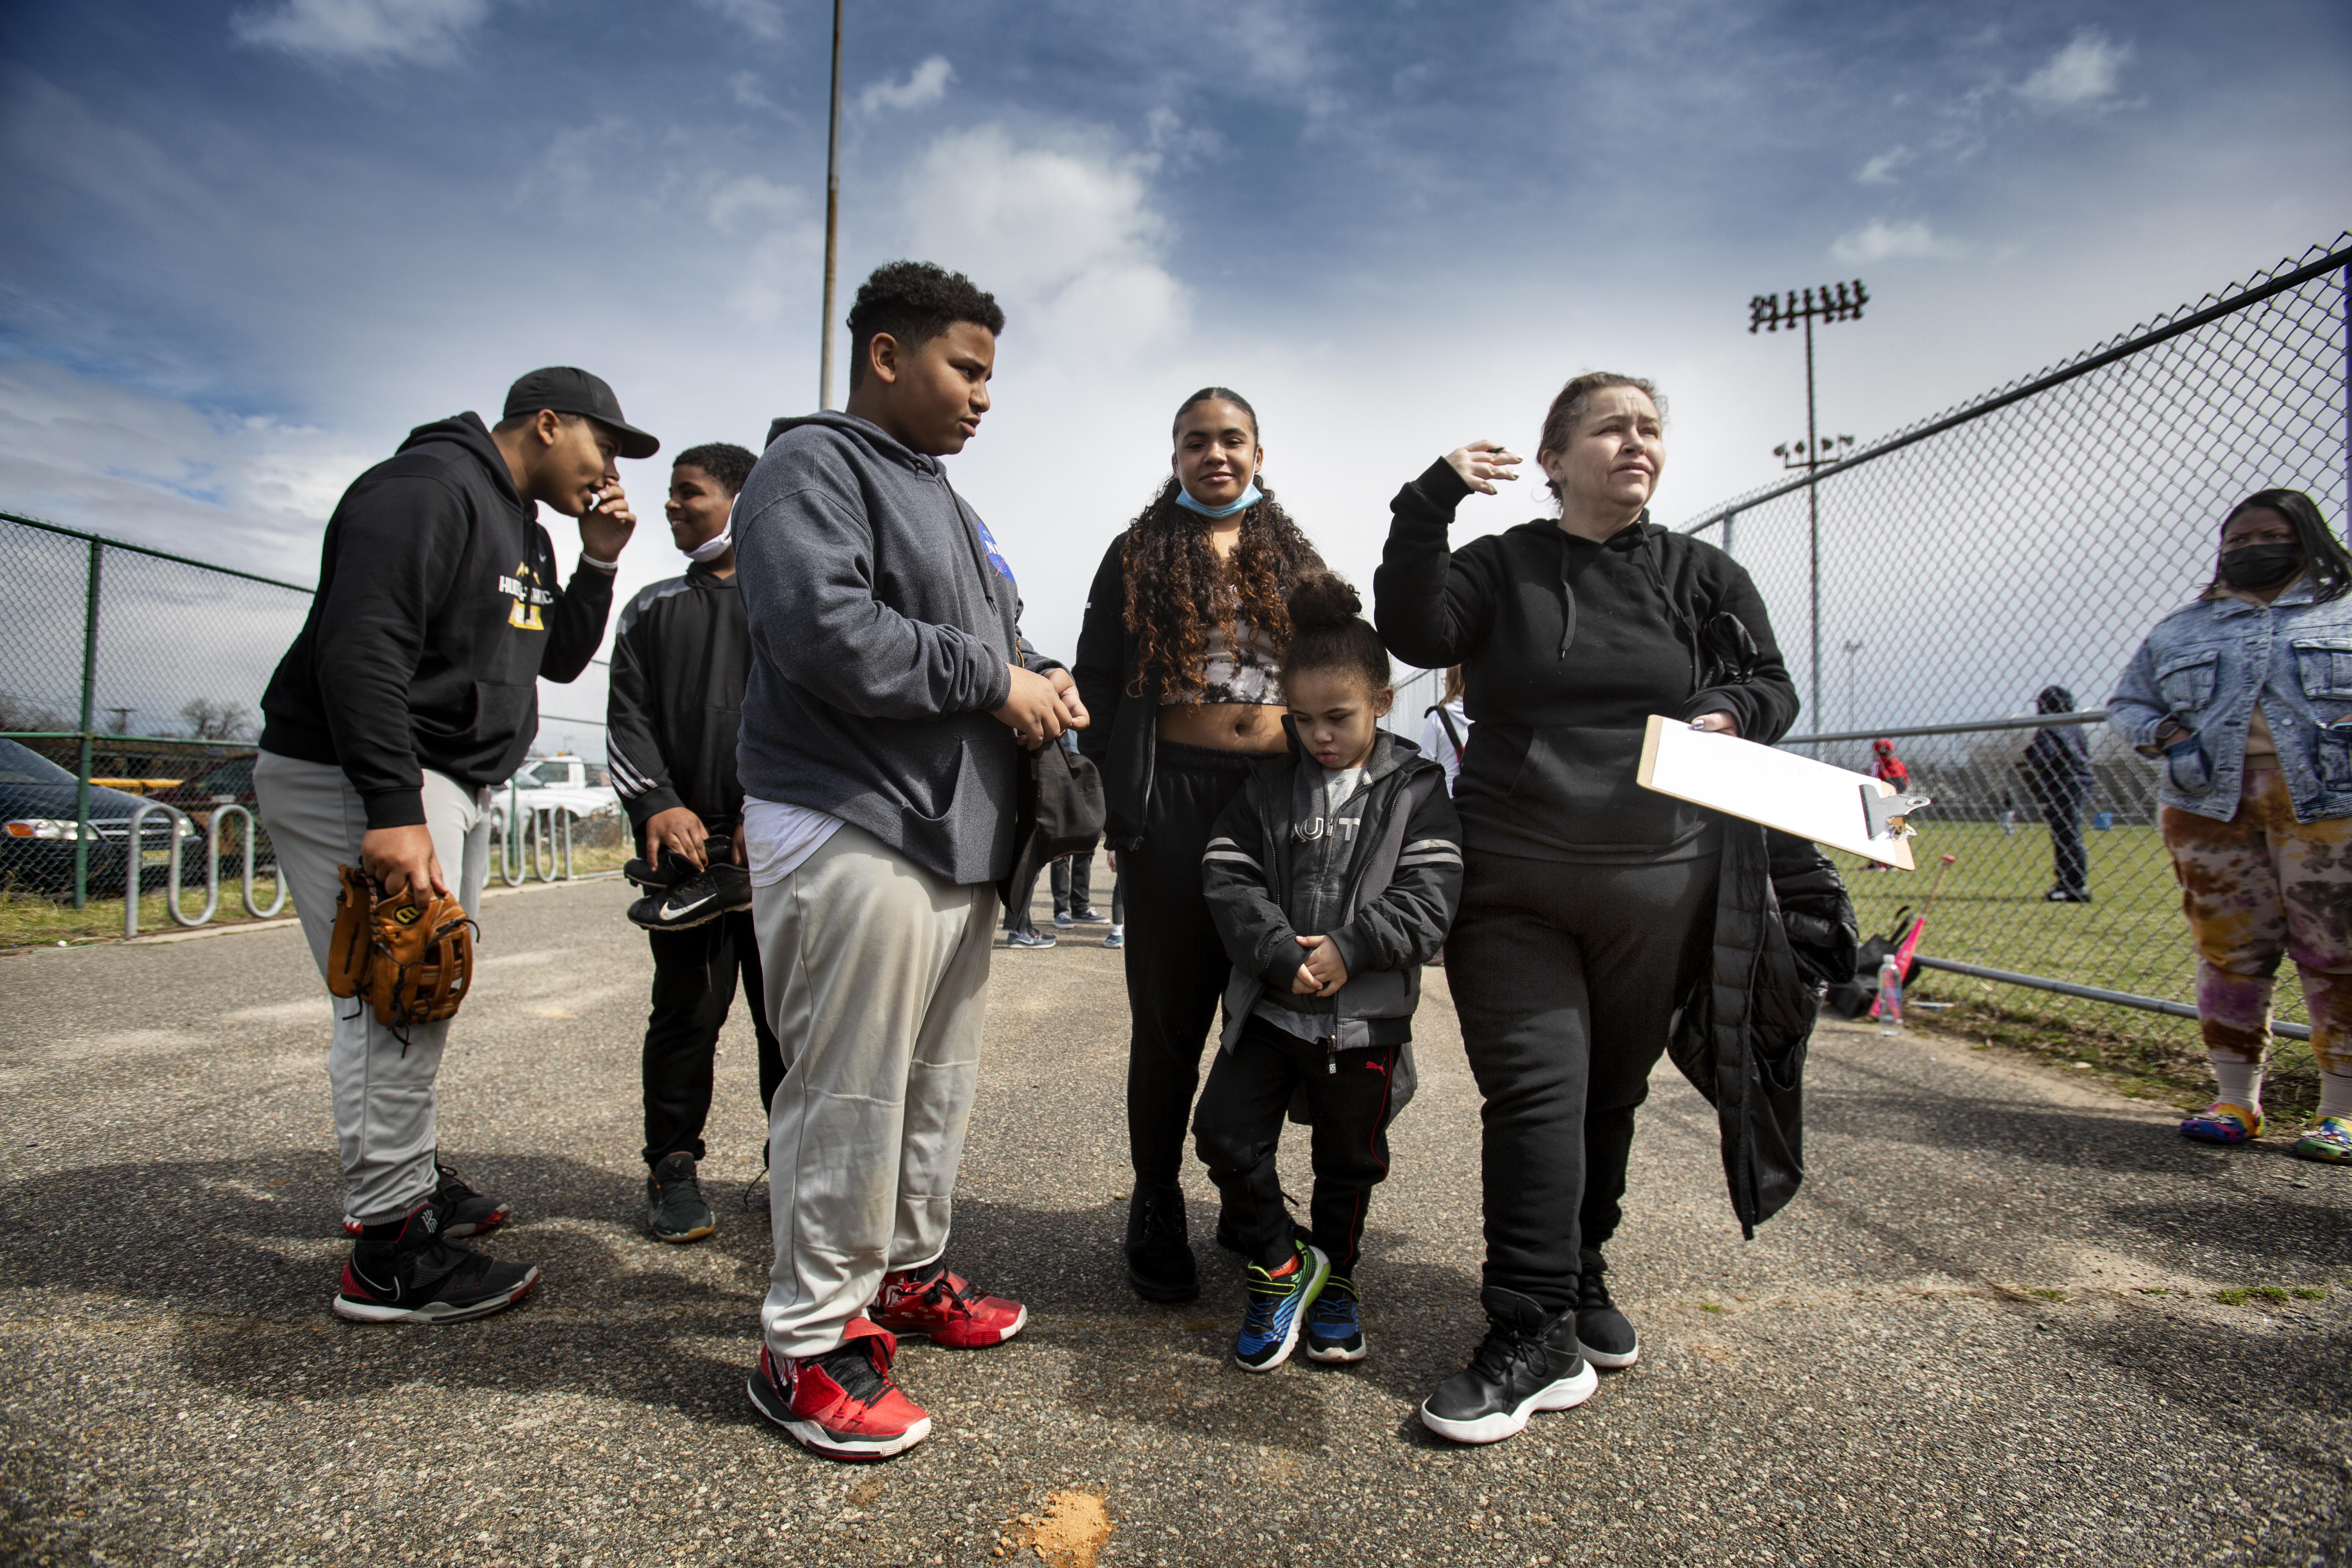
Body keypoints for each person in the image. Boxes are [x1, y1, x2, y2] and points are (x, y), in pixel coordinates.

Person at [1374, 372, 1798, 1444]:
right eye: (1610, 428)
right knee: (1536, 1095)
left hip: (1660, 882)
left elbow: (1773, 685)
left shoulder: (1705, 575)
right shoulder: (1506, 565)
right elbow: (1417, 627)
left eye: (1651, 428)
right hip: (1513, 881)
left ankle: (1581, 1276)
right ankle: (1530, 1329)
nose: (1637, 442)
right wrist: (1429, 502)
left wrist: (1727, 708)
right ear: (1554, 460)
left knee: (1611, 1096)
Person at [733, 261, 1087, 1461]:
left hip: (953, 840)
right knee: (848, 1090)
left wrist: (1038, 663)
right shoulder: (810, 465)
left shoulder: (944, 496)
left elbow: (991, 636)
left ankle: (902, 1276)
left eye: (993, 374)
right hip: (851, 818)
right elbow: (824, 629)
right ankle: (804, 1343)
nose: (986, 396)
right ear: (887, 354)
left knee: (932, 1084)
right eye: (967, 367)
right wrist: (998, 679)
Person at [253, 367, 657, 1323]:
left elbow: (553, 655)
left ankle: (407, 1182)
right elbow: (361, 643)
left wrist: (598, 560)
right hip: (368, 772)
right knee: (393, 996)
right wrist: (391, 806)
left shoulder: (525, 524)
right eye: (603, 442)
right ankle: (389, 1251)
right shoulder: (428, 487)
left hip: (442, 778)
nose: (608, 466)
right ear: (546, 422)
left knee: (422, 988)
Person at [1072, 387, 1326, 1304]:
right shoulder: (1138, 551)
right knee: (1171, 1018)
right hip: (1173, 797)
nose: (1214, 455)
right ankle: (1155, 1201)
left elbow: (1335, 671)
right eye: (1194, 443)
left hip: (1273, 801)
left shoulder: (1295, 557)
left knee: (1257, 1010)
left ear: (1260, 451)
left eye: (1231, 441)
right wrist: (1116, 802)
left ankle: (1242, 1191)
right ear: (1174, 454)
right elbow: (1097, 682)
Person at [1192, 574, 1462, 1372]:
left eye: (1337, 717)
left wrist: (1353, 948)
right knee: (1224, 1135)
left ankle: (1337, 1280)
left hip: (1367, 1024)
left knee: (1350, 1164)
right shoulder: (1267, 786)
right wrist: (1280, 952)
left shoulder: (1418, 790)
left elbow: (1434, 893)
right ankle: (1279, 1262)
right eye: (1300, 719)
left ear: (1381, 701)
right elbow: (1226, 874)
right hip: (1270, 1012)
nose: (1318, 736)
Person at [2109, 488, 2352, 1165]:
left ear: (2306, 540)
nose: (2250, 549)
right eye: (2236, 542)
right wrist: (2165, 735)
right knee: (2230, 954)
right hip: (2209, 807)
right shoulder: (2183, 629)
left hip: (2332, 809)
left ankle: (2341, 1111)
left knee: (2337, 954)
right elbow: (2128, 702)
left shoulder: (2344, 613)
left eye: (2267, 536)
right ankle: (2236, 1099)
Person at [605, 441, 786, 1244]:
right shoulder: (651, 609)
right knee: (687, 1013)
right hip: (688, 856)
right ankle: (672, 1169)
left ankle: (799, 1160)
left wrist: (771, 805)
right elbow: (627, 721)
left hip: (777, 846)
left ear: (741, 503)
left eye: (691, 493)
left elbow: (817, 716)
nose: (673, 506)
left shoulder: (790, 604)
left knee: (790, 1018)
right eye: (672, 493)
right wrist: (657, 801)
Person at [2022, 686, 2094, 902]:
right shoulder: (2074, 727)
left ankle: (2072, 885)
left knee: (2065, 834)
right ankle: (2074, 883)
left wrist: (2031, 755)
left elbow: (2042, 757)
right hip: (2079, 782)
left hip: (2062, 784)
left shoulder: (2050, 729)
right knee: (2070, 832)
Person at [1419, 665, 1470, 794]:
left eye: (1446, 680)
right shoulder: (1480, 718)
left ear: (1452, 682)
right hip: (1473, 795)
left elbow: (1425, 763)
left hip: (1446, 796)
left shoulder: (1437, 718)